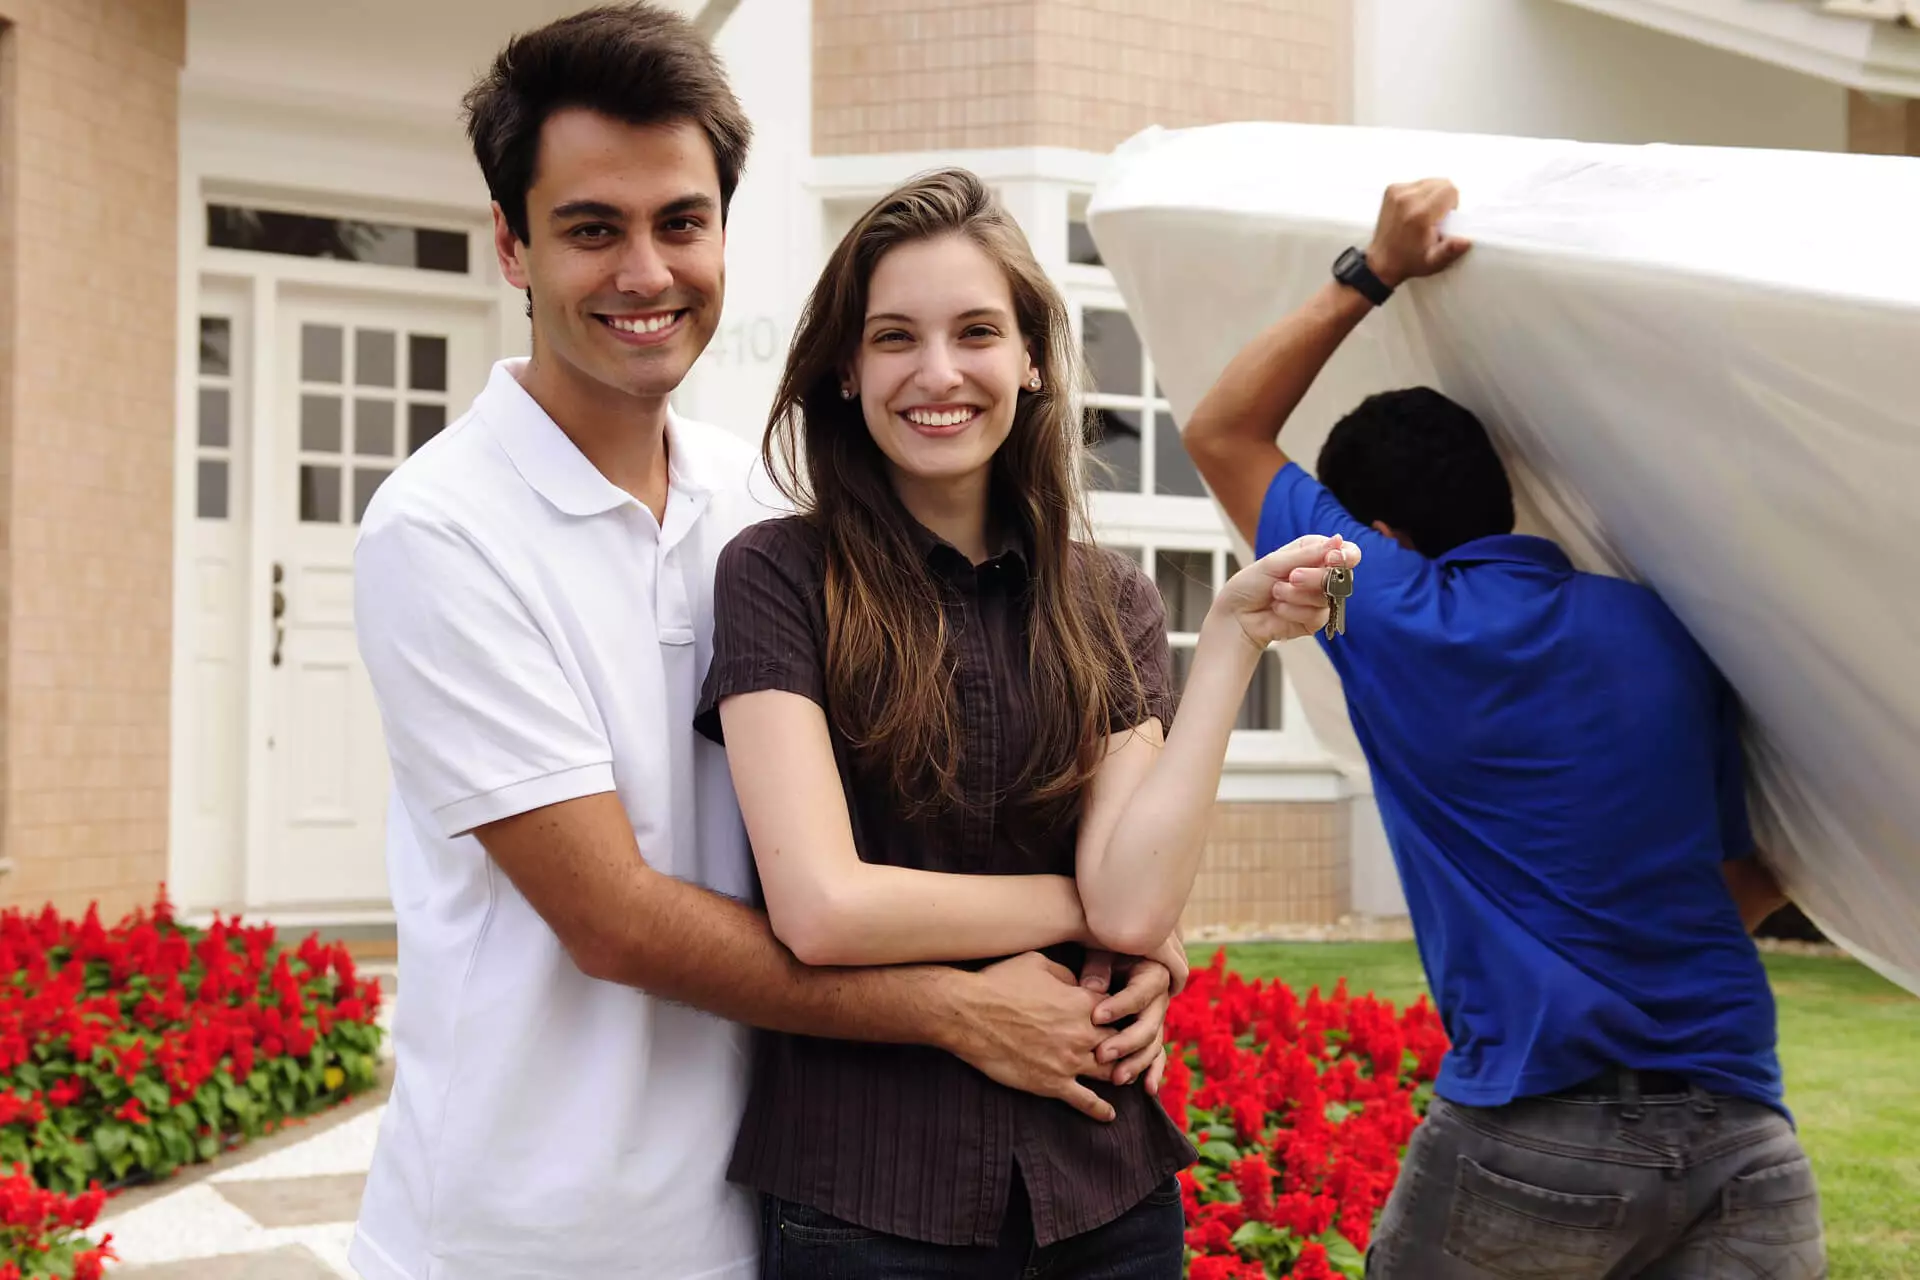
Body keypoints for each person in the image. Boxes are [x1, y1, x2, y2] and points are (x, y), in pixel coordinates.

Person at [347, 9, 1190, 1280]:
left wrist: (1142, 943)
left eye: (681, 222)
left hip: (757, 1199)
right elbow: (617, 921)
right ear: (512, 248)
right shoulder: (443, 530)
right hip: (535, 1221)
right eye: (592, 228)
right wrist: (983, 993)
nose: (646, 271)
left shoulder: (757, 506)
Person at [693, 169, 1362, 1278]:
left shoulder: (1113, 601)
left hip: (1104, 1188)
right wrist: (1085, 912)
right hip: (867, 1198)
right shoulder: (777, 575)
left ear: (1033, 358)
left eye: (977, 332)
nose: (938, 372)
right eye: (895, 337)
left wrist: (1235, 640)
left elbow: (1138, 894)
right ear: (847, 373)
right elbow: (821, 906)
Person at [1182, 177, 1823, 1277]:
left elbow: (1221, 430)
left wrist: (1374, 268)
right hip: (1748, 1144)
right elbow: (1744, 878)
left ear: (1375, 533)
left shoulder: (1378, 610)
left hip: (1537, 1134)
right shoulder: (1665, 629)